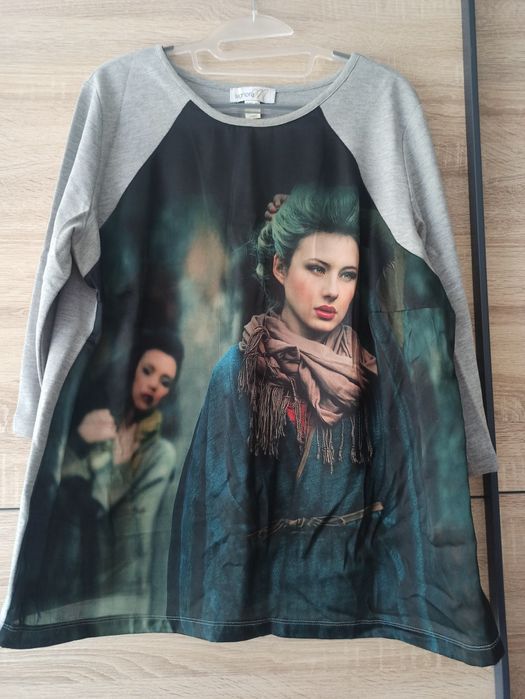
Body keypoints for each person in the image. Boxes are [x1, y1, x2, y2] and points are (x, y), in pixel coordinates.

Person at [167, 184, 385, 636]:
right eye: (317, 269)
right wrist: (224, 622)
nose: (332, 291)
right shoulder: (239, 371)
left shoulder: (370, 372)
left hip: (355, 609)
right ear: (281, 268)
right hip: (266, 602)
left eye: (347, 274)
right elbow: (221, 513)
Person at [38, 327, 184, 619]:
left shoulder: (158, 453)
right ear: (133, 368)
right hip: (69, 583)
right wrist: (80, 441)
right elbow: (52, 490)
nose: (153, 385)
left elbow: (133, 530)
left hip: (123, 592)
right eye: (148, 371)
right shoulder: (97, 422)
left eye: (165, 381)